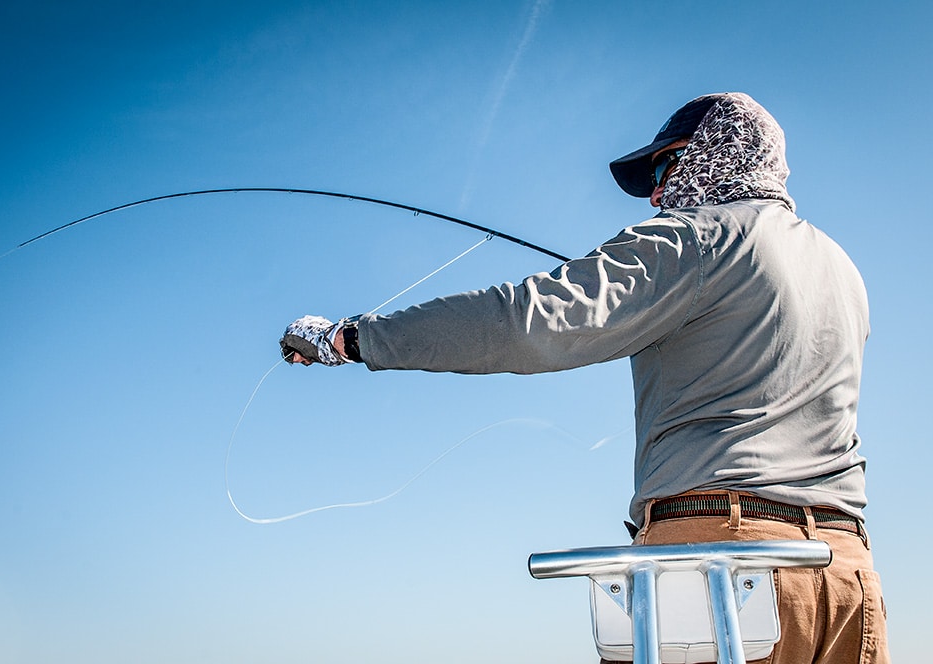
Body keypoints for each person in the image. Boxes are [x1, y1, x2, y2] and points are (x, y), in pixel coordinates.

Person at [280, 92, 890, 663]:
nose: (654, 197)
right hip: (844, 575)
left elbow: (524, 322)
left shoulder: (694, 240)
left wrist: (353, 338)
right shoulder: (845, 270)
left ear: (711, 156)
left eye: (660, 173)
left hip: (724, 566)